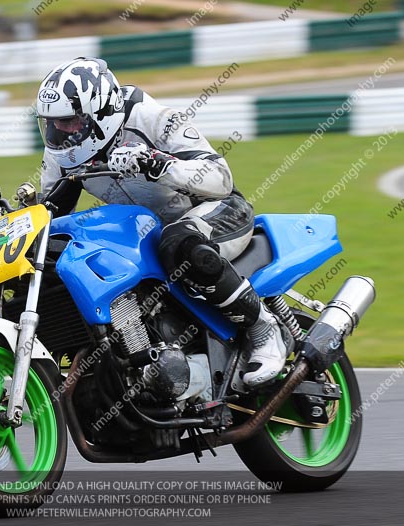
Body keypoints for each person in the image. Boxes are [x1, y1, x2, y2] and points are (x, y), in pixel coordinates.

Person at [34, 57, 292, 387]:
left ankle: (263, 328)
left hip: (217, 211)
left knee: (179, 242)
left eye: (70, 122)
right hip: (149, 231)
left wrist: (158, 164)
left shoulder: (153, 118)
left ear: (99, 113)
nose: (60, 132)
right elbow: (49, 212)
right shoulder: (62, 151)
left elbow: (221, 178)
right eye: (53, 124)